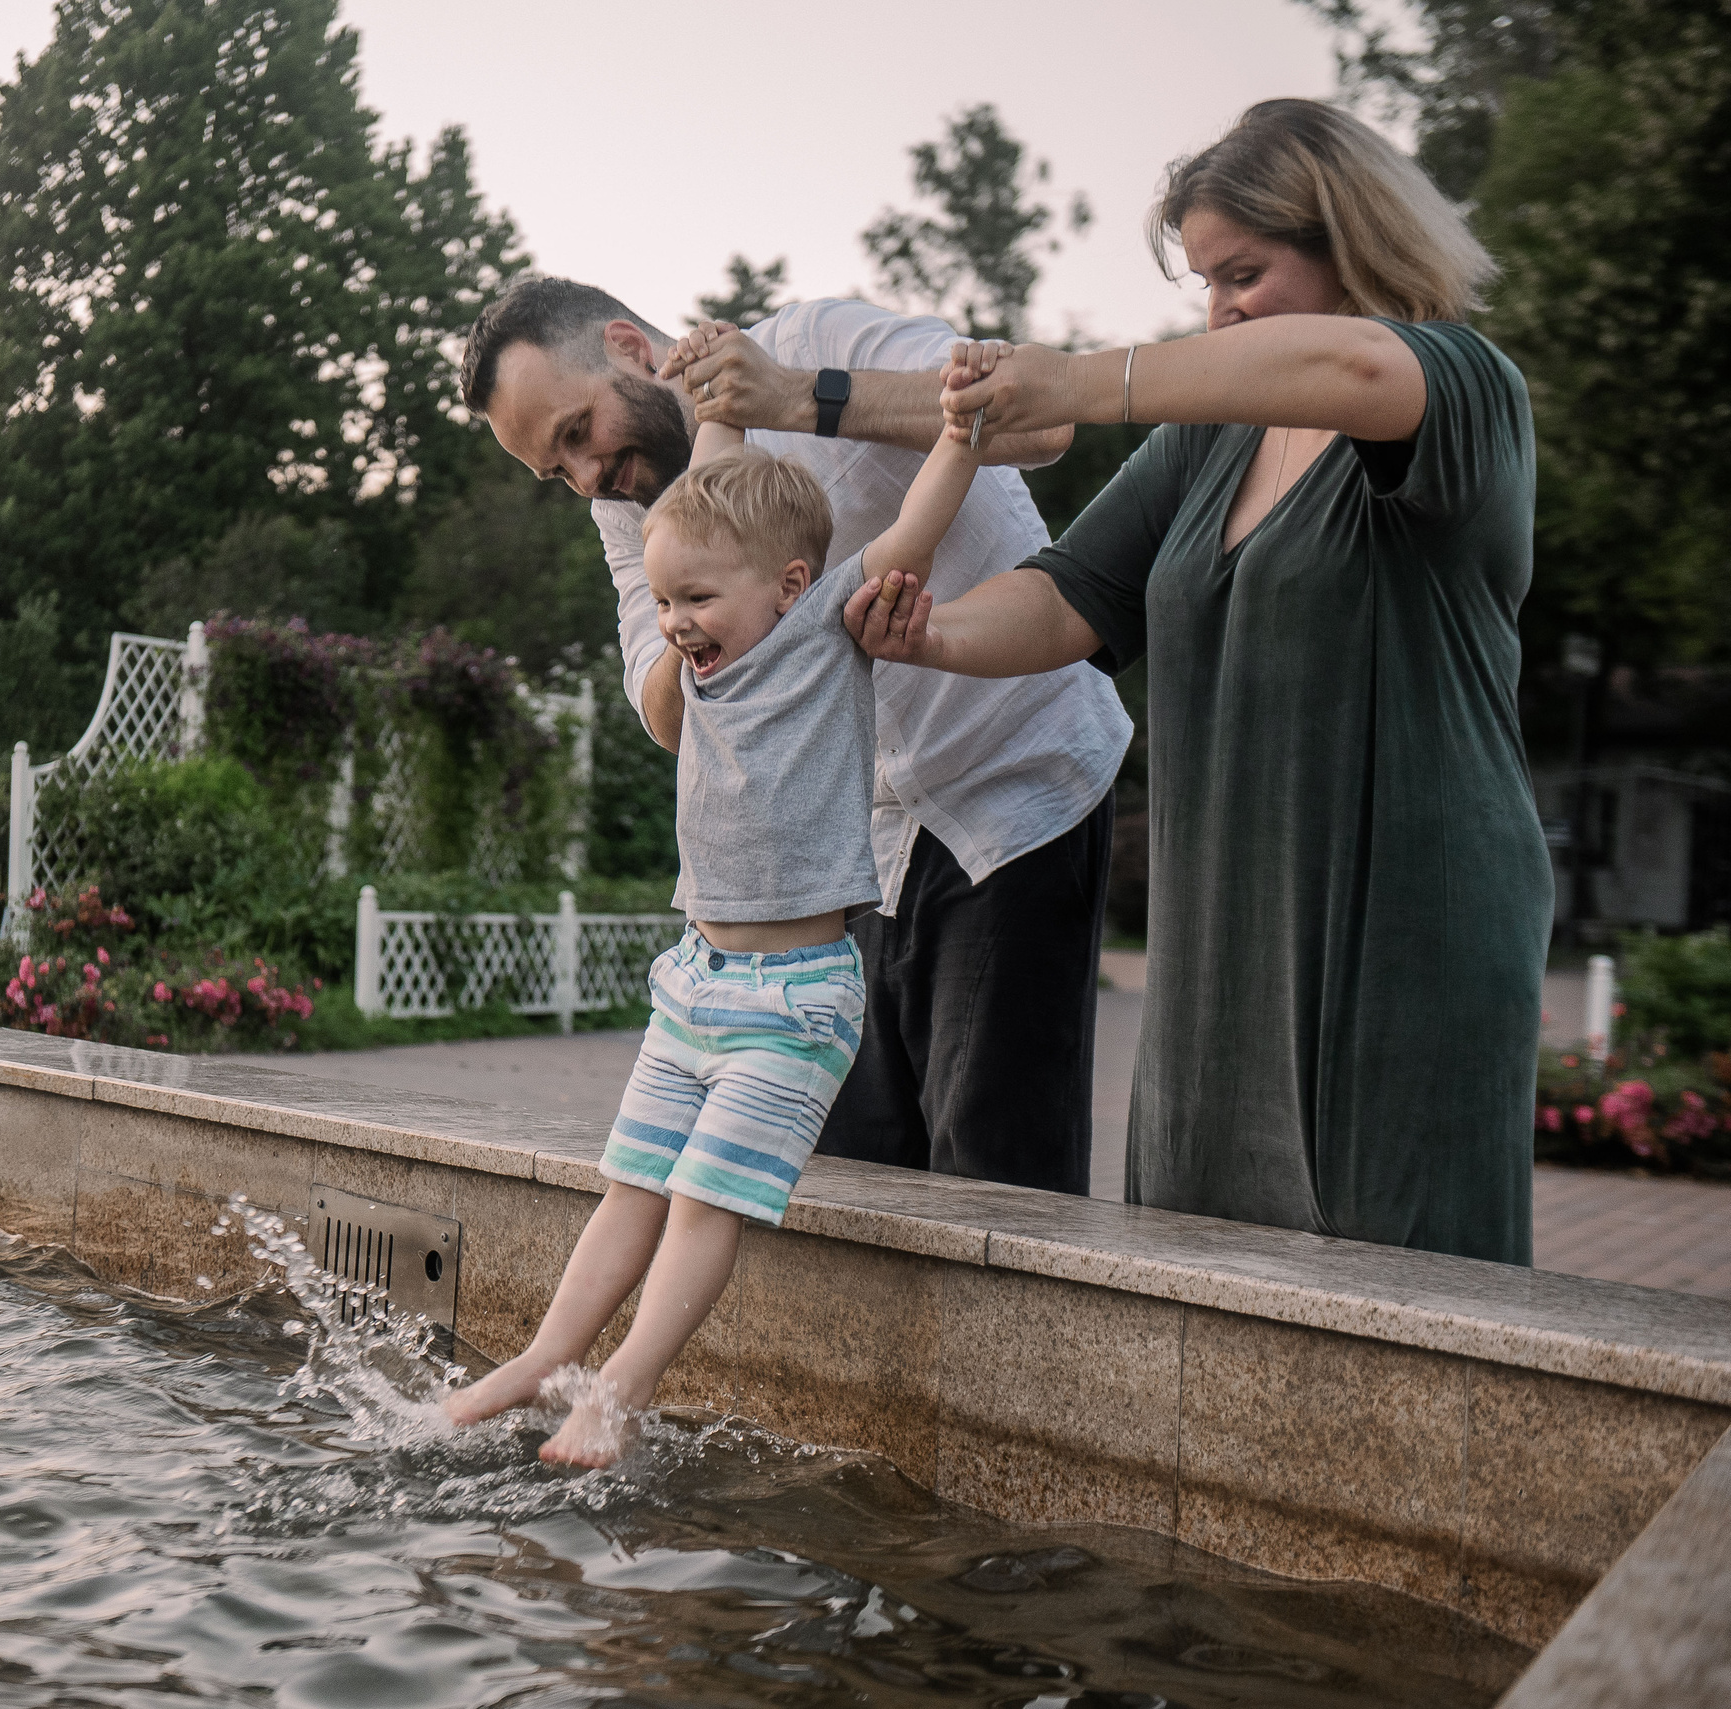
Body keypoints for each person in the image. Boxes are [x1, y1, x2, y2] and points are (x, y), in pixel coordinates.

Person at [851, 99, 1551, 1264]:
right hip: (1224, 923)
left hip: (1397, 919)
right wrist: (925, 635)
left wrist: (1076, 381)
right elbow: (1070, 595)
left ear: (1352, 241)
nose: (1219, 310)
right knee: (1204, 1258)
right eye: (1203, 285)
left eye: (1244, 273)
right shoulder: (1211, 436)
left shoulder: (1458, 385)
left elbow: (1355, 360)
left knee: (1392, 1279)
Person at [459, 280, 1130, 1195]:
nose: (584, 478)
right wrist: (700, 617)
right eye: (555, 471)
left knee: (993, 1175)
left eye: (578, 434)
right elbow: (660, 712)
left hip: (1010, 789)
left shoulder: (818, 335)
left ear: (626, 347)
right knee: (840, 1182)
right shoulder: (631, 512)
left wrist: (797, 396)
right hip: (843, 853)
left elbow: (1040, 425)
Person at [445, 419, 991, 1467]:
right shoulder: (701, 656)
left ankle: (622, 1386)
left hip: (793, 999)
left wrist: (961, 434)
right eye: (662, 600)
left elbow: (914, 530)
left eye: (694, 600)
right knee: (631, 1184)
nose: (674, 624)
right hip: (691, 984)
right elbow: (707, 491)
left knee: (702, 1197)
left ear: (787, 583)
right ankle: (543, 1358)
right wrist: (714, 404)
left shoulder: (828, 623)